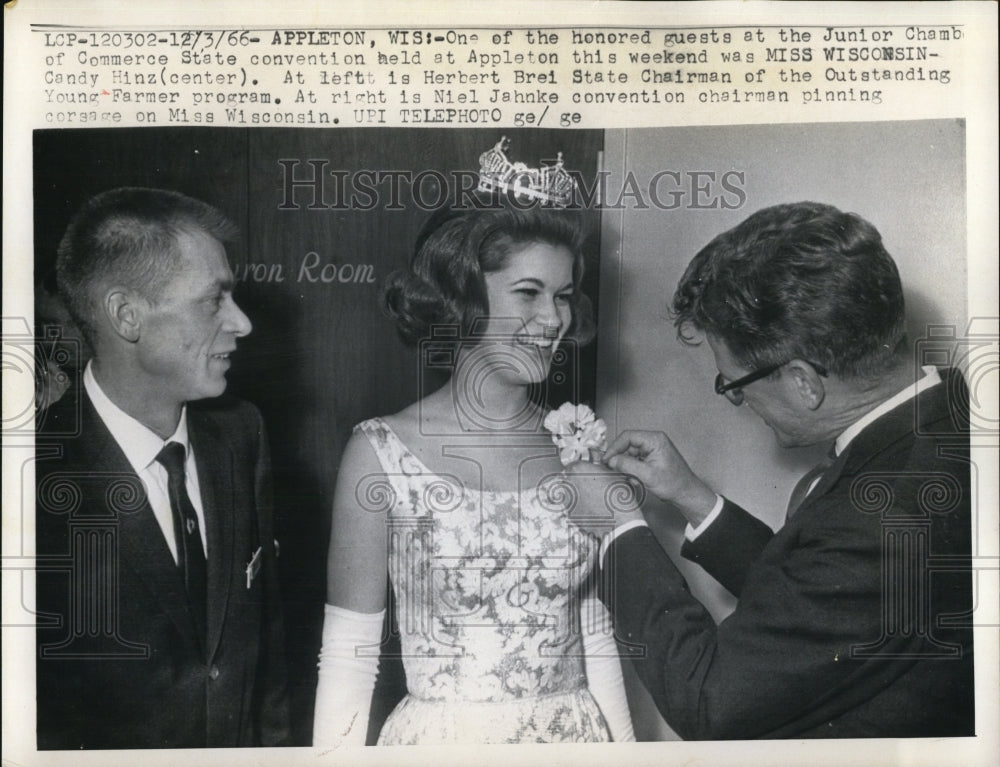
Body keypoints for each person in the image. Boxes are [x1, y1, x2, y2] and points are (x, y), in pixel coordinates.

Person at [567, 201, 974, 739]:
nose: (738, 401)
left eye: (735, 385)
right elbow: (824, 604)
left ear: (803, 381)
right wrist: (693, 498)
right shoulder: (949, 423)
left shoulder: (884, 515)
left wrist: (619, 526)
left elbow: (710, 701)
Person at [312, 198, 635, 746]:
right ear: (462, 296)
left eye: (562, 296)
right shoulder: (380, 453)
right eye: (528, 292)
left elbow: (593, 633)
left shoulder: (576, 444)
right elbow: (350, 655)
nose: (553, 319)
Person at [35, 187, 289, 749]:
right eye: (213, 300)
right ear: (127, 315)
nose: (242, 322)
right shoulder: (31, 476)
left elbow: (267, 672)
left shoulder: (242, 433)